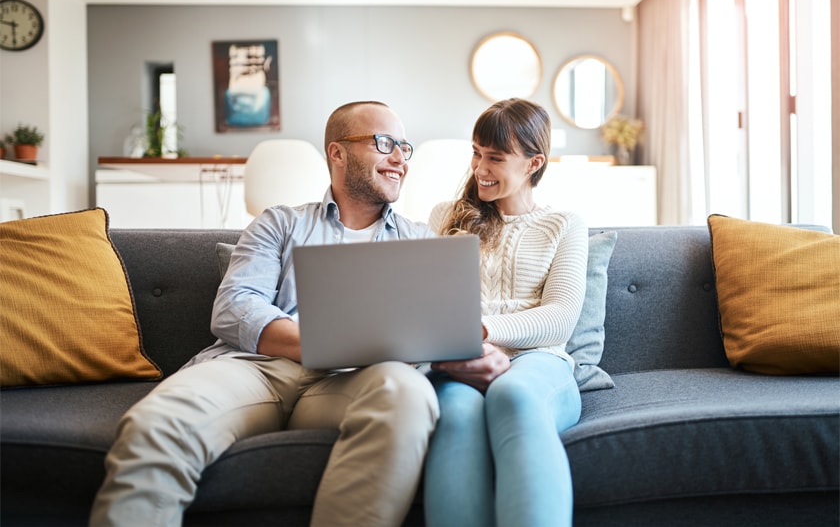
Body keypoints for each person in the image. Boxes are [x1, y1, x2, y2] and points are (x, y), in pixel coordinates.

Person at [90, 101, 440, 527]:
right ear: (338, 152)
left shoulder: (419, 239)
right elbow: (236, 306)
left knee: (408, 393)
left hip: (355, 379)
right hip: (258, 370)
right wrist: (322, 342)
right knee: (158, 423)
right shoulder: (280, 223)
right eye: (385, 143)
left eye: (405, 147)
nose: (400, 159)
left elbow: (430, 331)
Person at [423, 98, 588, 527]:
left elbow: (560, 317)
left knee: (513, 394)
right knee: (456, 415)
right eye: (476, 153)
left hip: (539, 362)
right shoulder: (445, 217)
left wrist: (479, 329)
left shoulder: (565, 224)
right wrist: (467, 345)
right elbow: (429, 305)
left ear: (534, 163)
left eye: (495, 157)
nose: (480, 168)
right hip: (463, 360)